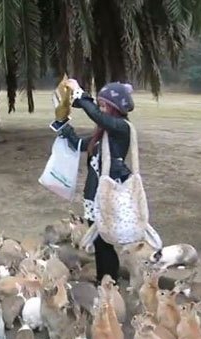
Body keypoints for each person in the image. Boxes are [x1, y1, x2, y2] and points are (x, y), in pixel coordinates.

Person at [55, 79, 135, 284]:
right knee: (100, 243)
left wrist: (80, 93)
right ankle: (104, 279)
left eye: (104, 105)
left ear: (115, 107)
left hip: (108, 196)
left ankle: (109, 280)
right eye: (100, 105)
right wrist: (63, 124)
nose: (101, 109)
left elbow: (97, 115)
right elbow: (79, 144)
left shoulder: (121, 128)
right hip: (93, 196)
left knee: (105, 242)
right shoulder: (104, 132)